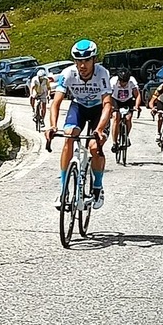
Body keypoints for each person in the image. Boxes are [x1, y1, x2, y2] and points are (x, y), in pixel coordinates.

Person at [45, 39, 112, 209]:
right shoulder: (68, 73)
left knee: (95, 148)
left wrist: (99, 128)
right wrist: (52, 126)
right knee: (69, 135)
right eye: (79, 61)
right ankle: (63, 191)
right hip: (79, 108)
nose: (82, 65)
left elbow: (107, 104)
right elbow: (56, 102)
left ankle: (97, 187)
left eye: (87, 60)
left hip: (98, 110)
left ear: (94, 60)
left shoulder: (102, 73)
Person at [109, 67, 141, 152]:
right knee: (116, 117)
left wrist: (137, 106)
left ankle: (126, 136)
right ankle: (115, 142)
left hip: (128, 100)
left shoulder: (132, 81)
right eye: (122, 81)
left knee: (128, 118)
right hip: (115, 100)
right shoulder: (113, 82)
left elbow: (137, 95)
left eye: (125, 82)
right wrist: (110, 107)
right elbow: (108, 96)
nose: (123, 84)